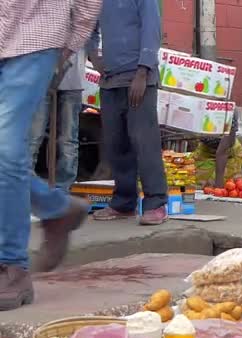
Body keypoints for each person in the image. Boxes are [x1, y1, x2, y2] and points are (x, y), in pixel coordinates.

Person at [0, 0, 101, 310]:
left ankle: (12, 266)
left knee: (5, 146)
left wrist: (71, 42)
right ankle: (57, 209)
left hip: (35, 35)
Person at [88, 0, 169, 224]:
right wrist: (93, 55)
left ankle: (156, 203)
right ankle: (124, 203)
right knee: (116, 143)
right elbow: (88, 26)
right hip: (110, 80)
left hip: (139, 78)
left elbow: (152, 28)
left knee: (144, 141)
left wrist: (143, 71)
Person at [30, 48, 86, 192]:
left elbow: (91, 35)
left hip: (72, 80)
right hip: (42, 78)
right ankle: (26, 187)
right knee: (33, 137)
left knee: (68, 139)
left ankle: (62, 190)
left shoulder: (82, 26)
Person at [194, 113, 242, 187]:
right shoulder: (199, 107)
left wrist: (219, 183)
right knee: (199, 186)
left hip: (227, 155)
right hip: (205, 151)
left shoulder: (228, 111)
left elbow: (222, 151)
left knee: (227, 187)